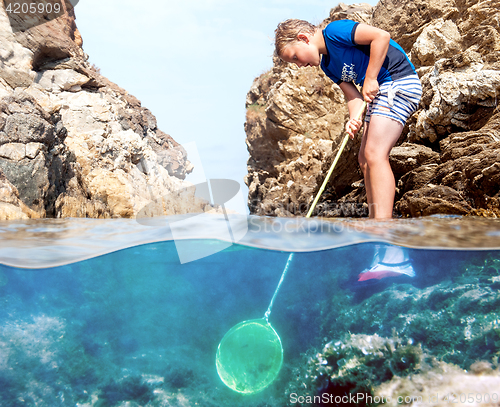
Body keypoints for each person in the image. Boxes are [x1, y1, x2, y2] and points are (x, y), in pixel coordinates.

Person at [274, 18, 420, 282]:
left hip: (397, 83)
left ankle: (382, 231)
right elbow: (354, 97)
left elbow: (381, 36)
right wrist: (353, 119)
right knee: (364, 159)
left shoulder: (336, 32)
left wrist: (372, 77)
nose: (298, 64)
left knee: (376, 154)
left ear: (304, 38)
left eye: (295, 57)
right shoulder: (329, 66)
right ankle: (388, 251)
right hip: (379, 91)